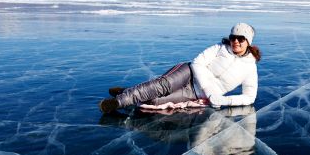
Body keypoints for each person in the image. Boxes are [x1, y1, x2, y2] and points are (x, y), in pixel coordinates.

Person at [99, 22, 261, 113]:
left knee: (155, 100)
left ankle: (127, 91)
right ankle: (117, 102)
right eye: (233, 37)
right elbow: (198, 62)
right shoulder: (220, 48)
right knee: (160, 86)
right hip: (188, 73)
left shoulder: (250, 68)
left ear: (248, 42)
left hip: (195, 93)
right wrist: (209, 89)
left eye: (241, 38)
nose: (236, 42)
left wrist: (224, 100)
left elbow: (249, 97)